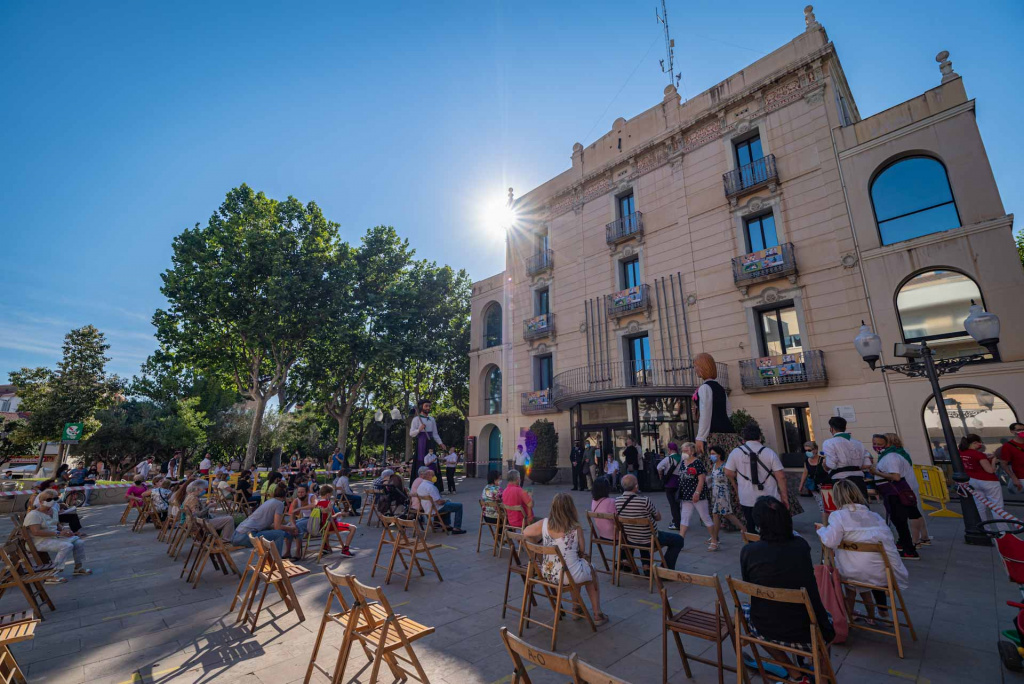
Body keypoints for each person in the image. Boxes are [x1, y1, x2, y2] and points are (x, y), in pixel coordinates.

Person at [740, 496, 834, 679]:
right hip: (807, 628)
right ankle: (823, 676)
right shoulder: (800, 547)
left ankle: (795, 674)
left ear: (758, 524)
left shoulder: (749, 552)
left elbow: (750, 586)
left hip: (766, 626)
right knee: (823, 621)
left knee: (742, 614)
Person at [815, 480, 909, 625]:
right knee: (861, 563)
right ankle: (878, 613)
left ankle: (847, 615)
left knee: (851, 569)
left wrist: (821, 529)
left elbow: (830, 541)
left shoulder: (838, 516)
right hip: (884, 574)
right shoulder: (875, 517)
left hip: (853, 572)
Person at [523, 493, 609, 626]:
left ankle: (576, 607)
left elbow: (525, 533)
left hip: (548, 573)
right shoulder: (576, 528)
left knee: (575, 569)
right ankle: (597, 614)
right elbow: (581, 551)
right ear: (571, 509)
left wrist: (539, 544)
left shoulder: (544, 524)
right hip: (568, 575)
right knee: (589, 571)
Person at [724, 424, 788, 533]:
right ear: (760, 437)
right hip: (770, 497)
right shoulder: (769, 452)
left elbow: (728, 472)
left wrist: (740, 475)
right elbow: (781, 476)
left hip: (747, 496)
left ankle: (754, 547)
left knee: (751, 525)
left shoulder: (736, 452)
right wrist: (784, 496)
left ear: (743, 439)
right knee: (772, 526)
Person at [615, 474, 684, 570]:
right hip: (649, 539)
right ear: (636, 486)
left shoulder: (617, 501)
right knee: (678, 539)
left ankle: (646, 565)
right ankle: (666, 568)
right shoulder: (645, 501)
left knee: (642, 531)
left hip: (631, 538)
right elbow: (658, 517)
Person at [875, 433, 931, 547]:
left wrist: (876, 473)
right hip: (908, 485)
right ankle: (923, 536)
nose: (878, 446)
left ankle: (915, 540)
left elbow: (895, 475)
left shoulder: (892, 456)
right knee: (916, 512)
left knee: (909, 514)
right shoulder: (902, 452)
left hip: (902, 487)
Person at [24, 491, 90, 583]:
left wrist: (65, 531)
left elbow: (57, 524)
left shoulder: (54, 510)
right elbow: (36, 532)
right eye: (49, 499)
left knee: (79, 542)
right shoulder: (34, 514)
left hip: (54, 537)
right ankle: (52, 574)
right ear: (41, 501)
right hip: (38, 541)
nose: (52, 501)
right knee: (67, 546)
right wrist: (58, 533)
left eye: (55, 499)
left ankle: (78, 568)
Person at [232, 485, 301, 559]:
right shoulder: (279, 504)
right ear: (285, 495)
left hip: (236, 535)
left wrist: (288, 529)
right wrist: (292, 528)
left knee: (281, 532)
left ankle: (285, 554)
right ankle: (277, 560)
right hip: (245, 536)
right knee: (279, 534)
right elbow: (277, 527)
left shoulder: (269, 501)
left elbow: (269, 525)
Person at [693, 352, 741, 457]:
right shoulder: (720, 388)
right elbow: (728, 412)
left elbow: (706, 414)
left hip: (713, 435)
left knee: (714, 468)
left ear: (702, 367)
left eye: (696, 366)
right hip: (728, 433)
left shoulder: (704, 388)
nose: (695, 369)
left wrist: (700, 437)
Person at [959, 432, 1005, 531]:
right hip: (989, 482)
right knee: (997, 507)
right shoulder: (978, 454)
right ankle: (1003, 530)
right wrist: (993, 461)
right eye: (980, 442)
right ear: (975, 442)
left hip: (973, 481)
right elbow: (990, 470)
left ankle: (986, 530)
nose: (981, 445)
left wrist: (986, 458)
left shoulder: (961, 453)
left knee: (980, 507)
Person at [822, 416, 872, 499]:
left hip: (840, 480)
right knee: (862, 506)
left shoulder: (829, 443)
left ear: (831, 429)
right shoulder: (858, 443)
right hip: (858, 478)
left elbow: (831, 465)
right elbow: (867, 464)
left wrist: (824, 465)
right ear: (845, 428)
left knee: (845, 507)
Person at [708, 445, 744, 550]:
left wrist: (738, 493)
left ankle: (715, 540)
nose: (711, 456)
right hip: (715, 492)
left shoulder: (725, 466)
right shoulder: (714, 466)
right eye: (711, 454)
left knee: (722, 514)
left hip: (722, 492)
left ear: (719, 455)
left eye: (713, 453)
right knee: (721, 514)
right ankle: (715, 537)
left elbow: (733, 481)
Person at [676, 442, 713, 543]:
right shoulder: (683, 462)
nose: (684, 452)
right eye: (683, 450)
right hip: (686, 495)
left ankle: (714, 540)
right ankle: (680, 540)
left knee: (705, 517)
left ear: (692, 452)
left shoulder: (697, 463)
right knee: (684, 517)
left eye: (686, 450)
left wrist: (697, 493)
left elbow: (701, 479)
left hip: (697, 495)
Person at [417, 469, 467, 534]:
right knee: (458, 506)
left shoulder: (421, 485)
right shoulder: (431, 487)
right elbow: (439, 502)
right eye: (433, 475)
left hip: (427, 508)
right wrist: (445, 500)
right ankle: (457, 528)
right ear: (429, 476)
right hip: (435, 509)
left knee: (448, 503)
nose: (435, 477)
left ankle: (446, 525)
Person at [409, 399, 445, 488]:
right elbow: (411, 433)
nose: (428, 408)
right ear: (421, 407)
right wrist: (419, 429)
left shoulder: (432, 419)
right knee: (421, 462)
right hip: (421, 443)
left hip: (430, 443)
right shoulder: (416, 419)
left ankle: (434, 485)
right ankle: (420, 485)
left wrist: (440, 443)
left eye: (429, 406)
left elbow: (435, 434)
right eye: (426, 406)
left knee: (432, 462)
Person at [312, 485, 356, 557]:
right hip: (331, 526)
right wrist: (339, 513)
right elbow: (330, 518)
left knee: (326, 530)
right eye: (331, 494)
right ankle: (345, 549)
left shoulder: (318, 504)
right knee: (353, 528)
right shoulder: (328, 504)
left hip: (321, 526)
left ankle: (326, 546)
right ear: (328, 494)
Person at [798, 441, 829, 525]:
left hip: (826, 486)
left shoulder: (823, 459)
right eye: (806, 450)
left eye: (809, 450)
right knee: (822, 507)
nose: (807, 452)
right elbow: (805, 472)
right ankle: (825, 525)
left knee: (829, 506)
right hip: (815, 487)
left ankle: (832, 524)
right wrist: (801, 485)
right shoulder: (807, 461)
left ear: (815, 450)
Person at [656, 442, 683, 530]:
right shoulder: (682, 458)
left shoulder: (668, 459)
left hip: (670, 483)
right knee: (678, 503)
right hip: (680, 482)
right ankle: (679, 520)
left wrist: (661, 474)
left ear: (670, 450)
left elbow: (659, 467)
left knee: (672, 504)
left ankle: (676, 523)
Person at [996, 422, 1024, 492]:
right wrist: (1013, 477)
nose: (1022, 431)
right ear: (1012, 431)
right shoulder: (1008, 446)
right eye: (1019, 430)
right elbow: (1004, 464)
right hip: (1022, 477)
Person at [589, 476, 616, 541]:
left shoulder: (593, 501)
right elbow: (617, 520)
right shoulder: (611, 502)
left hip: (602, 534)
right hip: (614, 536)